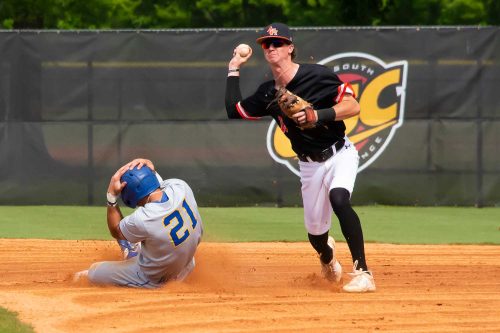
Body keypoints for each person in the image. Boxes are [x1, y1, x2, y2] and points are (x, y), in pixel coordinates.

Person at [224, 23, 375, 292]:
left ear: (290, 48)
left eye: (278, 43)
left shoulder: (318, 76)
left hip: (340, 152)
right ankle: (328, 258)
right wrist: (234, 68)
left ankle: (363, 273)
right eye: (267, 44)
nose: (271, 47)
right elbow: (234, 110)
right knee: (317, 236)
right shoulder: (268, 93)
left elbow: (353, 106)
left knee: (339, 198)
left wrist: (319, 115)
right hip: (309, 164)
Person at [73, 158, 203, 288]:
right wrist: (150, 169)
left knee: (95, 271)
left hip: (156, 278)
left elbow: (116, 230)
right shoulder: (180, 186)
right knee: (146, 232)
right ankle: (134, 250)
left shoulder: (144, 218)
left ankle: (132, 252)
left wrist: (111, 196)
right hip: (186, 265)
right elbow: (159, 185)